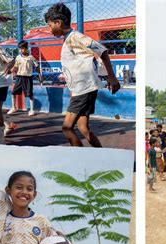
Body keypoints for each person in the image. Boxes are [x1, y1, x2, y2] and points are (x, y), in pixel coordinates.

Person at [44, 3, 120, 147]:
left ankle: (80, 158)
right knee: (83, 128)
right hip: (82, 89)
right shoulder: (68, 39)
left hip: (84, 90)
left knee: (67, 128)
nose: (49, 29)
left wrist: (112, 76)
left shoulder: (75, 37)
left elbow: (102, 51)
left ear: (58, 23)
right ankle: (104, 156)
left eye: (50, 25)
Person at [1, 171, 71, 244]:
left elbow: (56, 242)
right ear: (8, 190)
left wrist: (63, 241)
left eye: (29, 189)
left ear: (34, 194)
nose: (24, 192)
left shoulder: (41, 221)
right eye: (19, 187)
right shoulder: (2, 220)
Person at [7, 40, 42, 116]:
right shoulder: (18, 57)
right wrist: (10, 71)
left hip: (28, 78)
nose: (21, 50)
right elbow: (15, 67)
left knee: (30, 94)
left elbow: (37, 67)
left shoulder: (31, 57)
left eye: (22, 48)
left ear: (26, 48)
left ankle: (32, 110)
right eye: (19, 49)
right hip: (19, 77)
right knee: (14, 92)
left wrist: (40, 76)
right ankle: (13, 107)